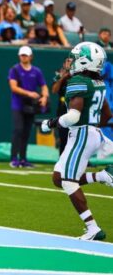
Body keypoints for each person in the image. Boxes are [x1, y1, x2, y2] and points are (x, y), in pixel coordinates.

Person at [41, 42, 113, 241]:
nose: (71, 62)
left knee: (68, 182)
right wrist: (91, 126)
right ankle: (102, 177)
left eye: (75, 58)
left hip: (80, 134)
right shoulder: (98, 83)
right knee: (58, 177)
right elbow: (107, 115)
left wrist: (50, 123)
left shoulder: (79, 81)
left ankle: (92, 228)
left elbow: (72, 116)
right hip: (90, 133)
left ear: (85, 61)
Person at [8, 46, 49, 168]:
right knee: (18, 130)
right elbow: (13, 87)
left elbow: (44, 86)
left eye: (26, 55)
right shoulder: (14, 70)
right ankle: (14, 158)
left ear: (31, 56)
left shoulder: (37, 71)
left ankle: (23, 158)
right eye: (22, 55)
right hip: (18, 105)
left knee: (26, 132)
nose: (23, 57)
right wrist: (29, 93)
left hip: (31, 106)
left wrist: (44, 97)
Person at [51, 58, 72, 155]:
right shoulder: (59, 73)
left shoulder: (80, 75)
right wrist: (63, 77)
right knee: (63, 136)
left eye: (72, 62)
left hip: (77, 108)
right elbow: (54, 90)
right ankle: (62, 159)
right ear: (64, 63)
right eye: (67, 62)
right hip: (63, 109)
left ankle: (83, 160)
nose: (69, 64)